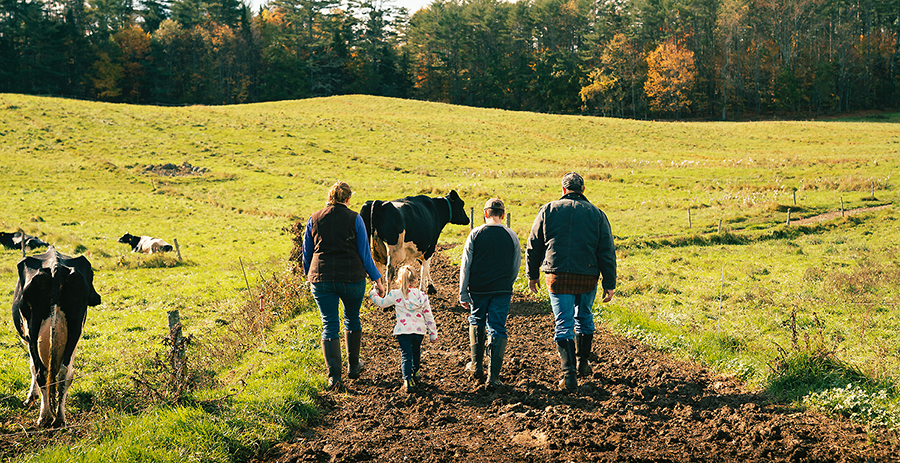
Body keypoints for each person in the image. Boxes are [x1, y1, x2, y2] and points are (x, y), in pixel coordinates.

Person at [526, 172, 616, 390]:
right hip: (587, 277)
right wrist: (609, 284)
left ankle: (569, 375)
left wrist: (533, 274)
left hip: (557, 277)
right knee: (584, 317)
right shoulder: (597, 214)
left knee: (563, 323)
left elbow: (534, 244)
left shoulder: (548, 209)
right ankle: (584, 363)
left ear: (563, 189)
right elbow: (606, 251)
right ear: (583, 190)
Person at [303, 181, 385, 391]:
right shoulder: (355, 219)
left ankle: (334, 377)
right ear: (348, 199)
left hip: (321, 279)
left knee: (329, 323)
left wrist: (309, 275)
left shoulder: (314, 218)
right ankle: (354, 366)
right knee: (352, 317)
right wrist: (378, 279)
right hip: (351, 277)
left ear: (329, 197)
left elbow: (307, 253)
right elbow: (365, 254)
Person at [459, 198, 521, 387]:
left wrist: (463, 292)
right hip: (502, 289)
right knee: (497, 327)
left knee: (476, 320)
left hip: (478, 288)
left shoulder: (475, 234)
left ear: (485, 213)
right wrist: (507, 284)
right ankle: (493, 377)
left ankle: (476, 366)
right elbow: (515, 266)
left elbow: (465, 265)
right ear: (503, 215)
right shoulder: (512, 236)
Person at [370, 265, 439, 393]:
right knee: (416, 351)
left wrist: (373, 293)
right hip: (419, 331)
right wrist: (433, 333)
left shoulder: (396, 294)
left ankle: (407, 380)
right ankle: (416, 371)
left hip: (403, 331)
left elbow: (381, 303)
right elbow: (428, 315)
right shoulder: (422, 296)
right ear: (416, 281)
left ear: (399, 281)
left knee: (406, 355)